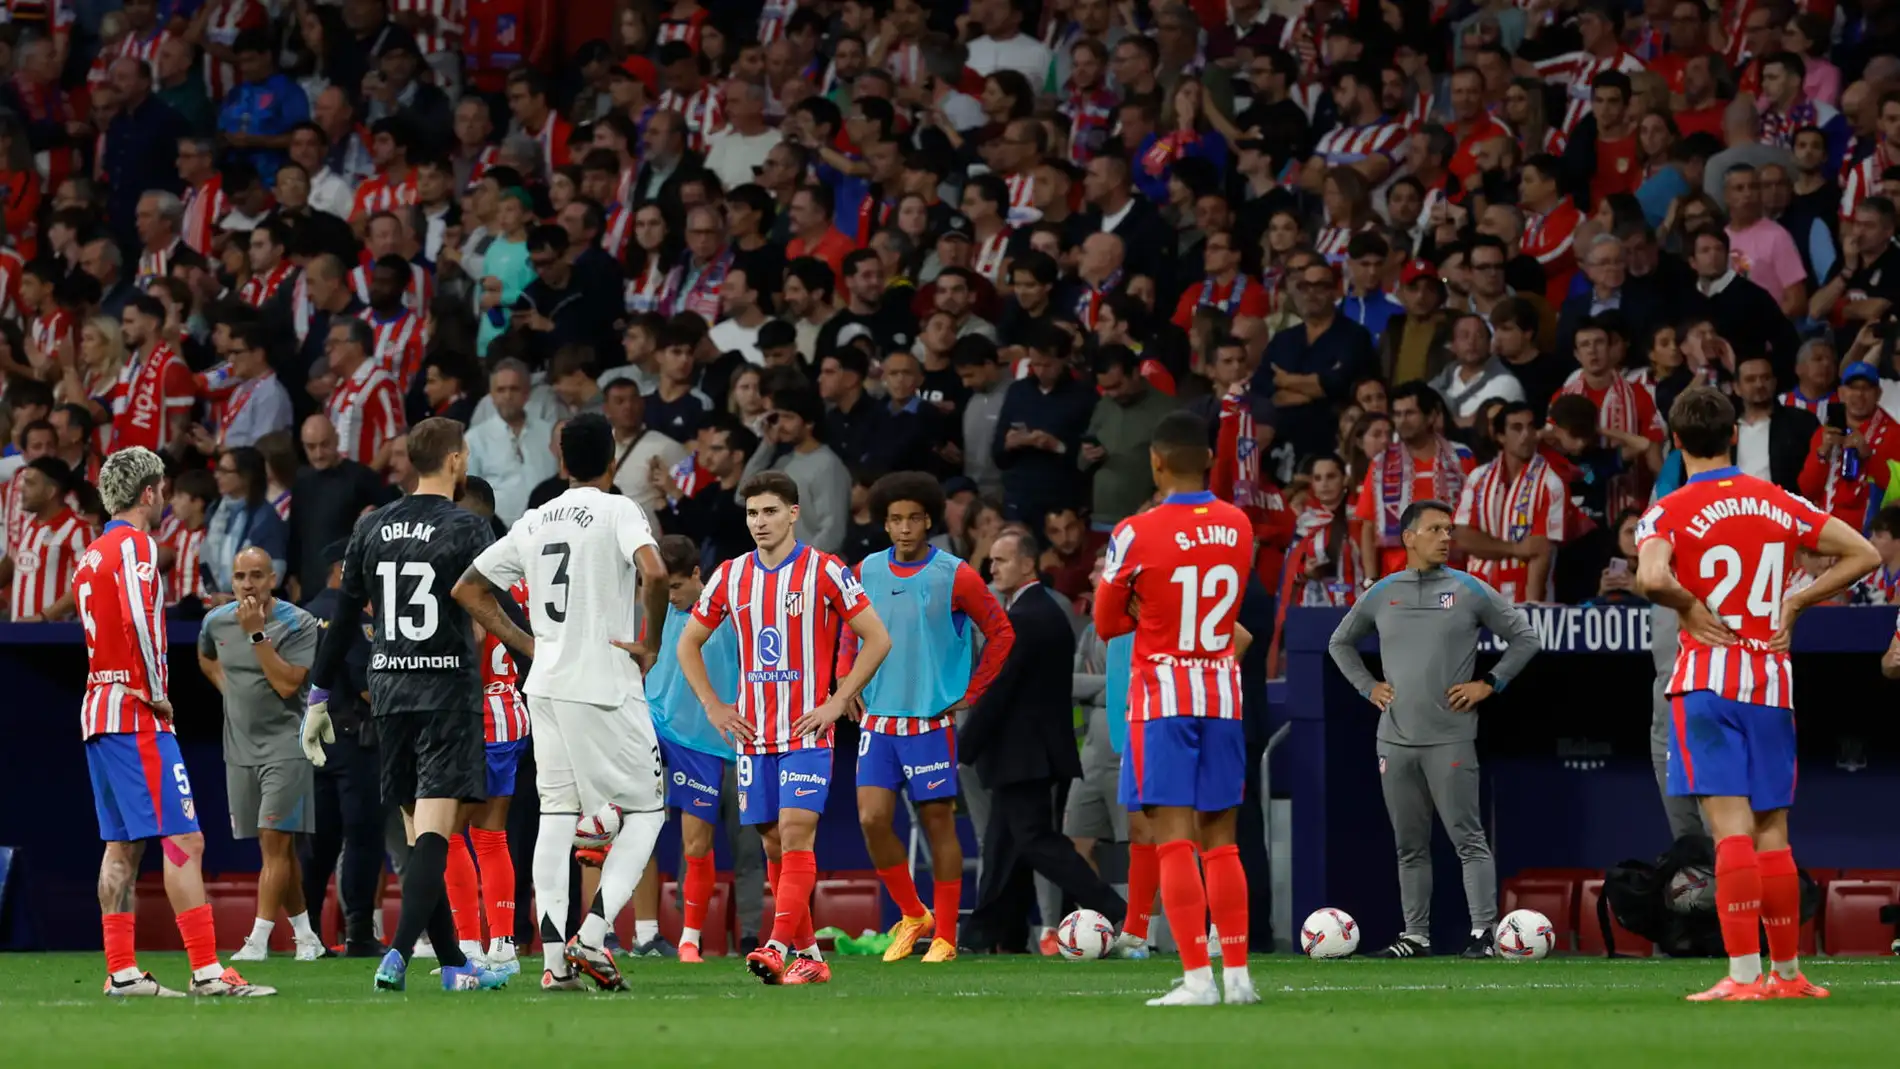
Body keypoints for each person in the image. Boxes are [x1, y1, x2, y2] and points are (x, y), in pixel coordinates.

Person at [1632, 385, 1878, 1000]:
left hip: (1708, 682)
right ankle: (1788, 975)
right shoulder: (1776, 500)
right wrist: (1798, 598)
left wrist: (1688, 604)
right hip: (1770, 681)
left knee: (1731, 833)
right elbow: (1865, 552)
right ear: (1735, 436)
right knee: (1774, 834)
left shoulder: (1669, 508)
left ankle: (1743, 976)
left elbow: (1650, 575)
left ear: (1677, 440)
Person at [300, 418, 515, 993]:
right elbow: (502, 606)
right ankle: (396, 953)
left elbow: (344, 619)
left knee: (422, 838)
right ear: (453, 461)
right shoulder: (470, 527)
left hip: (389, 696)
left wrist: (319, 695)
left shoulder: (371, 528)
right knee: (437, 838)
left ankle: (452, 966)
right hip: (447, 695)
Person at [461, 413, 672, 991]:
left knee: (556, 816)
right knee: (648, 811)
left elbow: (468, 588)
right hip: (602, 683)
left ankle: (554, 966)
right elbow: (655, 573)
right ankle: (594, 936)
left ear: (560, 462)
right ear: (612, 460)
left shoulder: (534, 519)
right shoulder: (618, 509)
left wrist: (530, 645)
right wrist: (650, 643)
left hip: (545, 687)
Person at [676, 470, 893, 986]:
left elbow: (877, 638)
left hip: (807, 730)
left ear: (793, 514)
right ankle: (811, 955)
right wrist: (713, 706)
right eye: (752, 513)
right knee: (774, 846)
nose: (760, 522)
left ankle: (774, 945)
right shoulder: (731, 576)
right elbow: (688, 644)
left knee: (797, 835)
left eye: (770, 511)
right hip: (754, 735)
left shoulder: (825, 570)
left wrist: (838, 701)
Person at [77, 447, 277, 997]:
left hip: (98, 710)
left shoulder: (92, 553)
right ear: (148, 493)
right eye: (161, 487)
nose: (165, 496)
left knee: (122, 847)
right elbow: (140, 618)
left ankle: (121, 972)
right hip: (134, 710)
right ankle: (208, 971)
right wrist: (157, 691)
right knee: (182, 839)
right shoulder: (137, 544)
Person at [1327, 497, 1542, 960]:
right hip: (1395, 738)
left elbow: (1526, 637)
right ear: (1409, 538)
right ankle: (1416, 936)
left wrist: (1490, 683)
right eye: (1436, 530)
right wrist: (1369, 688)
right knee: (1409, 845)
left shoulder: (1469, 590)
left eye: (1449, 529)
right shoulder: (1383, 592)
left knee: (1467, 838)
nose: (1447, 538)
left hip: (1450, 736)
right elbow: (1339, 643)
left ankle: (1483, 933)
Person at [1091, 410, 1258, 1005]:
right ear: (1210, 459)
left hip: (1163, 694)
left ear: (1156, 461)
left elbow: (1108, 622)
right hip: (1221, 691)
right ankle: (1237, 977)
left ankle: (1195, 980)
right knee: (1224, 838)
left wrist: (1147, 613)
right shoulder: (1240, 525)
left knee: (1173, 839)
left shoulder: (1136, 531)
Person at [851, 473, 1014, 965]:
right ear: (885, 523)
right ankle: (913, 913)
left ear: (929, 521)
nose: (905, 528)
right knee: (871, 819)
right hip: (878, 721)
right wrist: (846, 682)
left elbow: (1001, 633)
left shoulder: (956, 574)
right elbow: (845, 630)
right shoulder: (865, 571)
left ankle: (945, 934)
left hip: (928, 722)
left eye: (914, 519)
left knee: (937, 822)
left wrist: (970, 693)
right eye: (896, 520)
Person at [961, 527, 1127, 956]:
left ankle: (1113, 908)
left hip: (1023, 754)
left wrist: (964, 746)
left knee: (1036, 841)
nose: (992, 567)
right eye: (991, 560)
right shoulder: (1044, 612)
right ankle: (983, 935)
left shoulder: (1025, 618)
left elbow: (999, 691)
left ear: (1028, 564)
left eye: (1001, 560)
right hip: (1034, 752)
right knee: (1001, 847)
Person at [198, 547, 325, 964]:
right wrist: (228, 691)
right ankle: (307, 937)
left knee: (275, 845)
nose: (247, 584)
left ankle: (258, 940)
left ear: (273, 579)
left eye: (256, 575)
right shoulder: (215, 621)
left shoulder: (299, 623)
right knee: (279, 851)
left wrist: (256, 635)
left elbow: (290, 685)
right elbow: (206, 656)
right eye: (239, 577)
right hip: (238, 750)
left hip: (286, 748)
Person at [643, 534, 752, 964]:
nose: (668, 598)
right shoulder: (654, 608)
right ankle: (616, 933)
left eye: (674, 588)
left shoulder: (728, 615)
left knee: (696, 843)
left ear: (695, 575)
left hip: (705, 742)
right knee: (614, 825)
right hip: (652, 724)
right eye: (660, 589)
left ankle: (689, 939)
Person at [440, 574, 529, 972]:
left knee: (450, 833)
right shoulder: (518, 588)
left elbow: (473, 641)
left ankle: (469, 943)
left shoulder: (468, 589)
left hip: (476, 717)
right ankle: (503, 943)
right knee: (491, 835)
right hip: (509, 712)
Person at [1453, 402, 1567, 603]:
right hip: (1477, 598)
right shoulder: (1478, 478)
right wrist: (1515, 549)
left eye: (1531, 427)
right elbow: (1463, 538)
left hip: (1523, 601)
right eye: (1516, 428)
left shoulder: (1550, 483)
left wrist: (1532, 608)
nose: (1526, 435)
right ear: (1500, 436)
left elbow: (1540, 550)